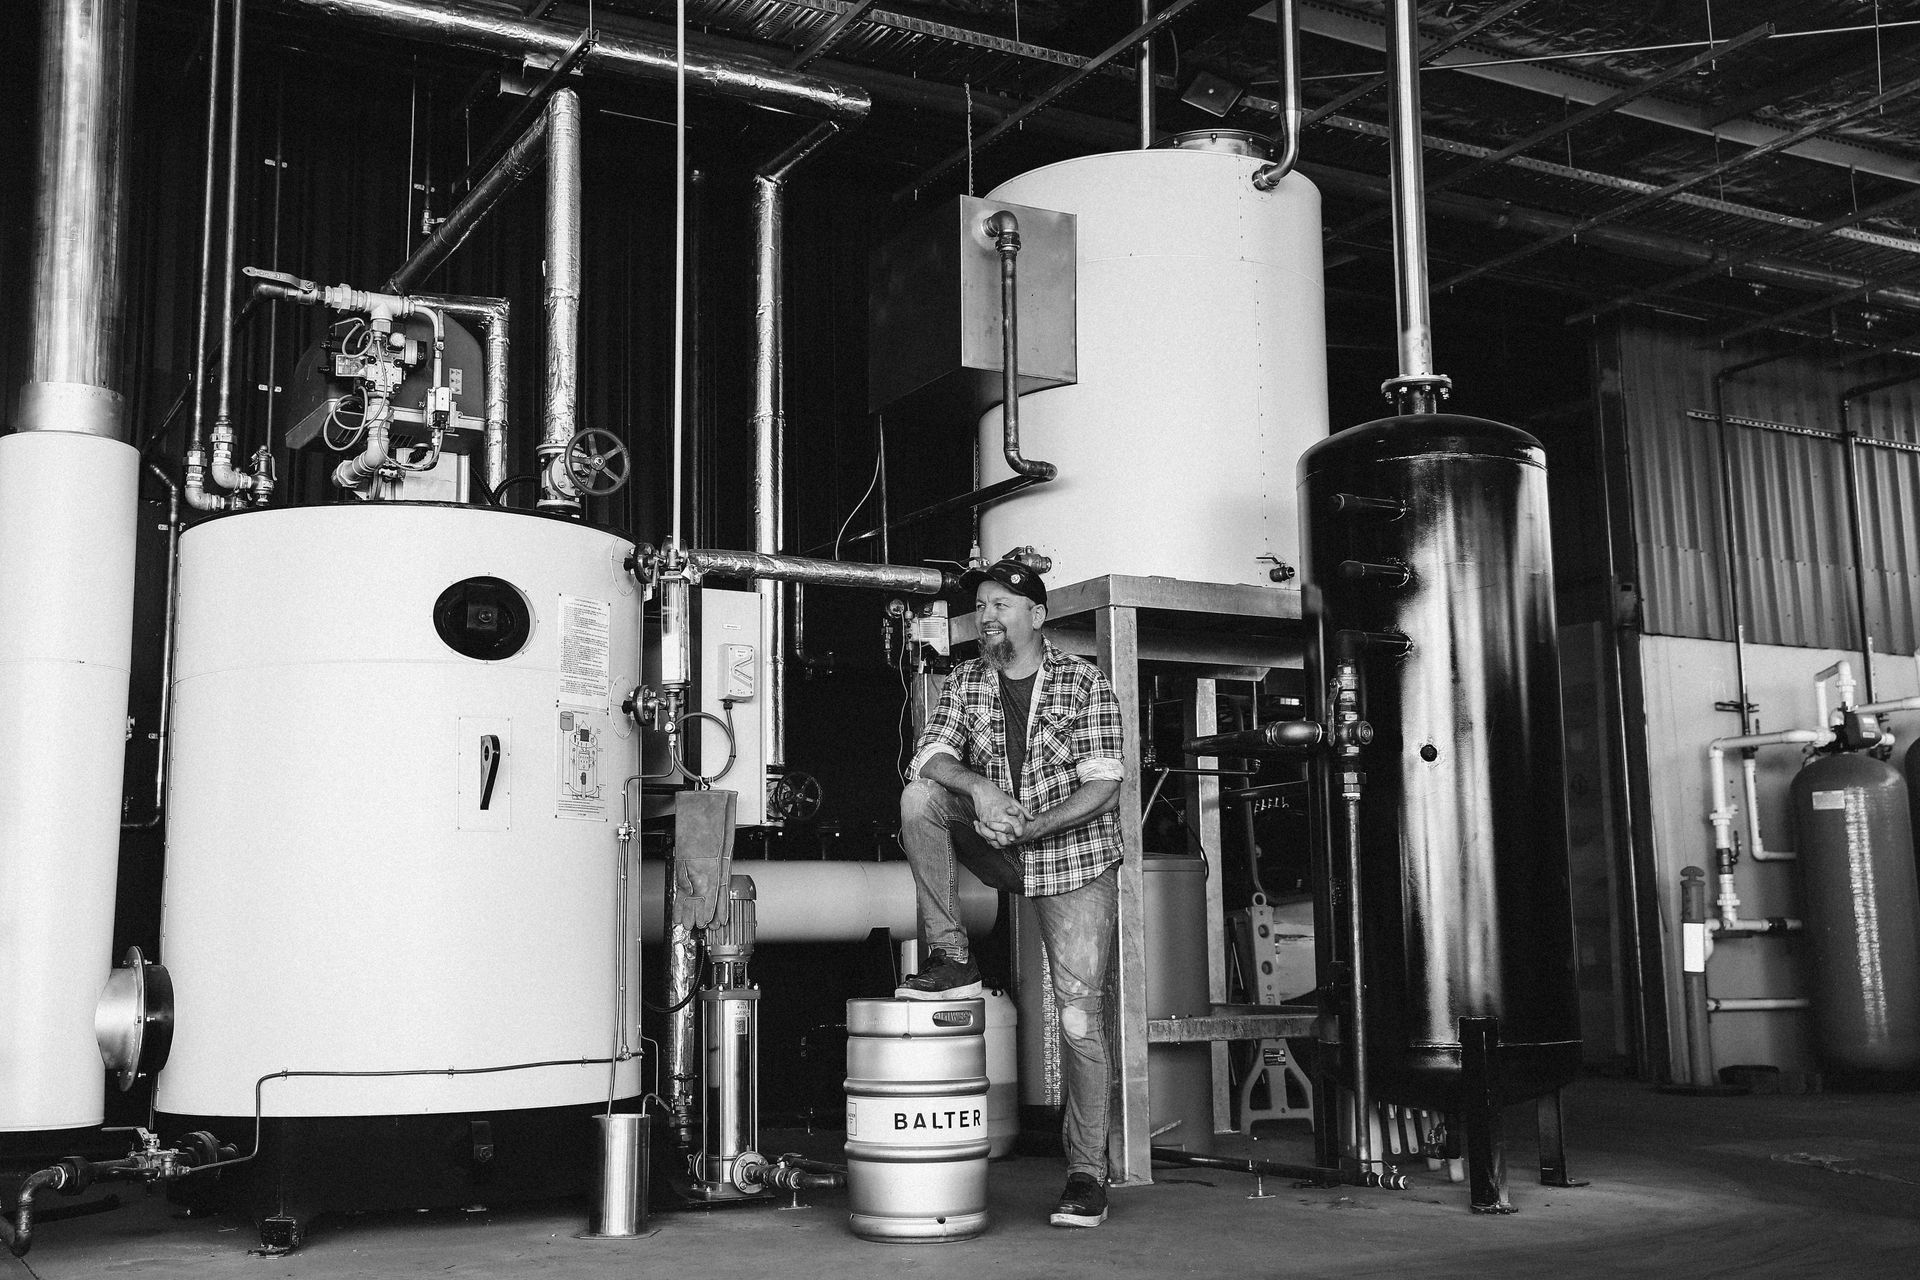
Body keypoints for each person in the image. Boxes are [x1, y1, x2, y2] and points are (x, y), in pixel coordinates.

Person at [896, 557, 1126, 1229]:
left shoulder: (1083, 682)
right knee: (922, 798)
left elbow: (1105, 783)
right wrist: (984, 790)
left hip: (1073, 857)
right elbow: (929, 757)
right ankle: (952, 955)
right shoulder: (968, 679)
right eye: (983, 607)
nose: (988, 616)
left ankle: (1087, 1174)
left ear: (1037, 616)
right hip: (999, 843)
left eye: (1000, 606)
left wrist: (1032, 824)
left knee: (1080, 1019)